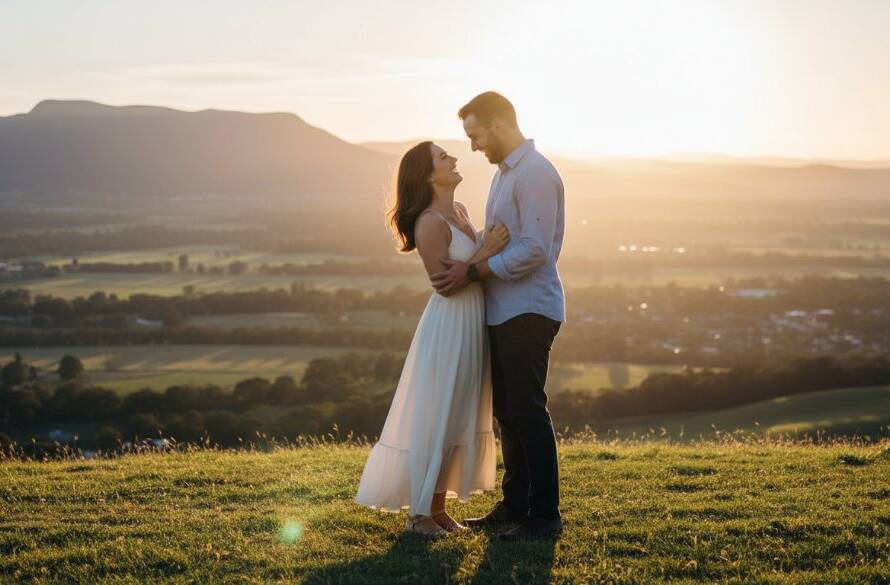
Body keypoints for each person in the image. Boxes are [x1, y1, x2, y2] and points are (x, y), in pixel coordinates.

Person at [354, 140, 510, 537]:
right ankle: (418, 516)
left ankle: (438, 510)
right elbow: (445, 285)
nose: (454, 158)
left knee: (457, 413)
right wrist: (487, 250)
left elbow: (468, 272)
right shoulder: (428, 222)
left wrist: (484, 254)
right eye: (444, 157)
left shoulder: (458, 211)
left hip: (472, 322)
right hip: (450, 325)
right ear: (428, 175)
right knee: (439, 413)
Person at [430, 91, 566, 541]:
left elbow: (534, 250)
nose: (472, 147)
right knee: (509, 412)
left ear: (499, 125)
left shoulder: (536, 175)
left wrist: (473, 270)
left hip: (529, 307)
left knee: (527, 411)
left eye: (475, 135)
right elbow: (498, 237)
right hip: (504, 308)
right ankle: (514, 506)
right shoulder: (505, 175)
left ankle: (544, 517)